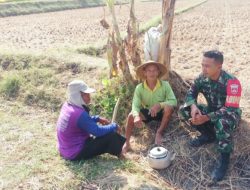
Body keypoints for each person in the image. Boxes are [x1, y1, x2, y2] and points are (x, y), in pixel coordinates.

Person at [179, 50, 242, 182]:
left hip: (229, 114)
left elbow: (230, 108)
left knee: (223, 123)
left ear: (219, 67)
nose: (203, 68)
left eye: (207, 66)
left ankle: (224, 160)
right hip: (211, 110)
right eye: (202, 64)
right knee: (183, 110)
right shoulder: (202, 77)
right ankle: (208, 135)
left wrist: (206, 117)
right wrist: (193, 106)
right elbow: (191, 93)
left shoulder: (232, 82)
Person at [56, 80, 126, 160]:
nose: (89, 96)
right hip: (75, 152)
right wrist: (114, 126)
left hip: (65, 149)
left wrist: (97, 118)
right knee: (111, 135)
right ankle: (121, 155)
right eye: (85, 94)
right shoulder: (79, 114)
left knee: (106, 131)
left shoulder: (67, 106)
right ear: (77, 96)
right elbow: (97, 131)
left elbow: (80, 123)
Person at [122, 60, 177, 153]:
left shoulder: (165, 85)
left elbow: (174, 101)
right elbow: (135, 105)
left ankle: (159, 132)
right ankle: (126, 142)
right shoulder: (140, 88)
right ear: (144, 72)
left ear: (158, 72)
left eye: (155, 70)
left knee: (169, 107)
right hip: (147, 112)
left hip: (161, 113)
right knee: (131, 116)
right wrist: (136, 116)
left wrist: (160, 105)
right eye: (149, 70)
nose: (152, 73)